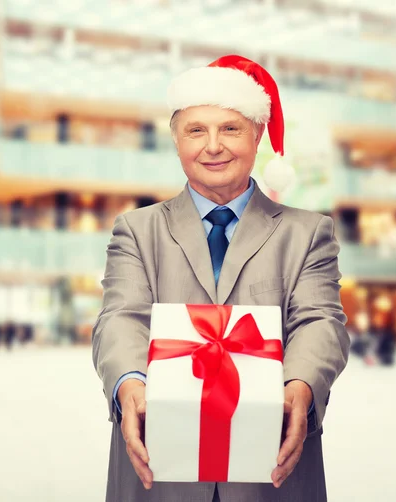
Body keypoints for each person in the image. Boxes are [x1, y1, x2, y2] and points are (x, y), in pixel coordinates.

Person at [92, 55, 350, 502]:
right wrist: (129, 383)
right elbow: (120, 318)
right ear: (176, 141)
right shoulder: (137, 230)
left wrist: (301, 385)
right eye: (196, 130)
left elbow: (320, 322)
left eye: (230, 129)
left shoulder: (307, 233)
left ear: (256, 136)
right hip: (159, 467)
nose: (213, 146)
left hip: (270, 470)